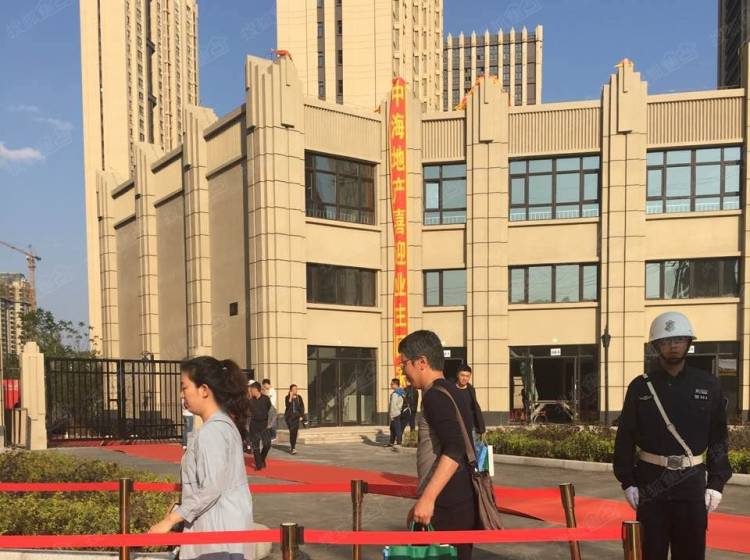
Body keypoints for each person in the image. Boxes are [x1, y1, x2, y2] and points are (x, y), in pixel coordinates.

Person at [613, 312, 731, 560]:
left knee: (690, 554)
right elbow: (625, 436)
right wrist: (628, 481)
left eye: (678, 339)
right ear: (657, 346)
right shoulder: (640, 386)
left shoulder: (708, 384)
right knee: (650, 553)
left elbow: (718, 437)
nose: (673, 346)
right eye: (666, 341)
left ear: (688, 343)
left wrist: (716, 483)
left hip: (691, 484)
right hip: (651, 485)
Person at [149, 356, 254, 560]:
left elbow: (211, 488)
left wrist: (170, 520)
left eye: (185, 387)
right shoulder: (224, 425)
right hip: (226, 525)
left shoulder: (212, 432)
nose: (182, 394)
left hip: (216, 529)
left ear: (204, 390)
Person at [399, 330, 477, 560]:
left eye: (404, 364)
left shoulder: (434, 396)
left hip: (447, 506)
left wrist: (428, 499)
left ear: (421, 362)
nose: (403, 371)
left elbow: (455, 448)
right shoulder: (452, 391)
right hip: (457, 502)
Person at [455, 364, 486, 437]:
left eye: (467, 376)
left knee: (472, 444)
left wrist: (481, 428)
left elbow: (476, 408)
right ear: (457, 375)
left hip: (470, 426)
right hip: (456, 426)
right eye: (462, 375)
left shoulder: (471, 390)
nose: (464, 378)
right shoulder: (451, 389)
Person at [248, 381, 272, 470]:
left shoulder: (266, 399)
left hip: (264, 425)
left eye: (252, 390)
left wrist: (270, 423)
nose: (251, 392)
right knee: (255, 446)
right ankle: (258, 465)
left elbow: (270, 409)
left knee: (267, 444)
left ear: (256, 390)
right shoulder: (250, 401)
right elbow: (248, 413)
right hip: (254, 425)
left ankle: (262, 458)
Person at [284, 384, 305, 455]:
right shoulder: (287, 397)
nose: (295, 390)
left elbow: (302, 407)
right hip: (289, 418)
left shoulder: (299, 397)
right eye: (293, 389)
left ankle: (293, 446)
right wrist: (290, 397)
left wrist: (302, 415)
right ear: (290, 390)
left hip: (296, 417)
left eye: (296, 389)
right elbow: (287, 405)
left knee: (295, 432)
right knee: (292, 431)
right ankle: (293, 447)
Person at [387, 378, 405, 447]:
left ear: (396, 384)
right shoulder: (401, 392)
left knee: (396, 428)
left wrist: (392, 415)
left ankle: (398, 442)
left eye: (392, 384)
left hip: (395, 413)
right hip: (398, 412)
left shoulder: (395, 394)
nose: (390, 385)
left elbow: (393, 405)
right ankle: (392, 442)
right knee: (393, 428)